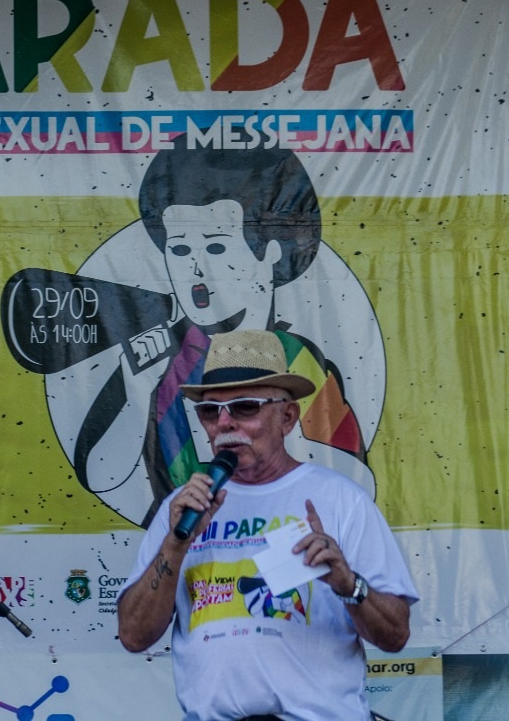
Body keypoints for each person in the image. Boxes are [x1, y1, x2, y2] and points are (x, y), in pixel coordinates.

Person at [65, 138, 373, 527]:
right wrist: (135, 386)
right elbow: (100, 477)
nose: (196, 270)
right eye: (180, 251)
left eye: (215, 249)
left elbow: (356, 481)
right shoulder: (161, 360)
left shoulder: (293, 358)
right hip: (189, 546)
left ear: (271, 252)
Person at [116, 329, 416, 721]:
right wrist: (175, 544)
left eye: (245, 408)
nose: (225, 423)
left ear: (287, 417)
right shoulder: (182, 509)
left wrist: (348, 584)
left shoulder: (341, 500)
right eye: (210, 411)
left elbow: (395, 635)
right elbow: (133, 635)